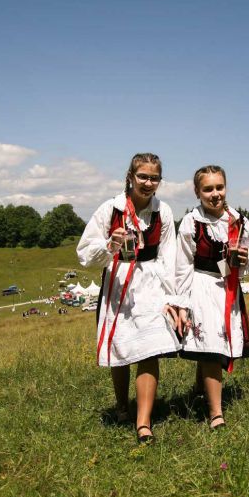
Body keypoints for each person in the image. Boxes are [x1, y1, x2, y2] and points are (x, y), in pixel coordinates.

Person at [76, 153, 184, 444]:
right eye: (143, 177)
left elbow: (169, 256)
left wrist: (172, 298)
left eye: (154, 178)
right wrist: (108, 245)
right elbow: (84, 254)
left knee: (149, 349)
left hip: (151, 285)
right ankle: (122, 405)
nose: (149, 183)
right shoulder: (109, 210)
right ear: (130, 177)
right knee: (122, 348)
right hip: (119, 283)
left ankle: (143, 421)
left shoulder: (163, 212)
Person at [175, 165, 249, 429]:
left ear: (226, 187)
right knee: (211, 348)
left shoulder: (238, 221)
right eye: (208, 189)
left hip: (227, 289)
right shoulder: (192, 222)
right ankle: (216, 413)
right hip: (201, 288)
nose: (215, 194)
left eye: (219, 187)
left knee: (215, 345)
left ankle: (200, 388)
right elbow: (182, 265)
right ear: (197, 192)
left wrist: (243, 261)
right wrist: (183, 304)